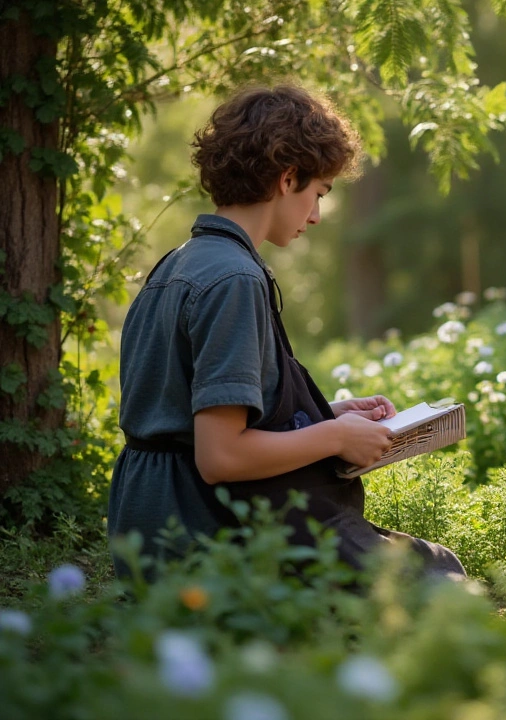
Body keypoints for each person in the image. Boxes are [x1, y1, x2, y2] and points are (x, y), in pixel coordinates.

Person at [107, 85, 464, 580]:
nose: (315, 215)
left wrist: (326, 415)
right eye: (317, 193)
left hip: (144, 528)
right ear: (287, 177)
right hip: (203, 534)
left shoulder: (177, 265)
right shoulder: (235, 280)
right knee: (437, 576)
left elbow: (187, 419)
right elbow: (221, 456)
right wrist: (336, 436)